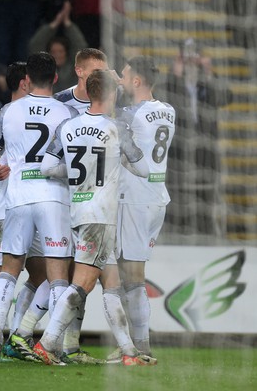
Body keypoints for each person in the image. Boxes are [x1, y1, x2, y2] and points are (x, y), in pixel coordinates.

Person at [33, 69, 152, 366]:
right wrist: (117, 161)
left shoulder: (67, 126)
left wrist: (74, 170)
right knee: (83, 284)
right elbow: (144, 170)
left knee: (112, 284)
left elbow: (48, 167)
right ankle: (47, 344)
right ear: (111, 95)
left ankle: (128, 353)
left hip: (78, 210)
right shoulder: (115, 128)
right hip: (101, 215)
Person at [0, 52, 78, 363]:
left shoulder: (7, 112)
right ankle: (54, 345)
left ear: (27, 80)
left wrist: (3, 166)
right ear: (54, 77)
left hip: (18, 198)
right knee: (57, 272)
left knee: (8, 270)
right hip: (53, 199)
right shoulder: (65, 113)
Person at [0, 62, 47, 363]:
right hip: (12, 204)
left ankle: (17, 336)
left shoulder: (10, 113)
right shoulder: (13, 112)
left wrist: (6, 161)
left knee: (41, 275)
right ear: (26, 83)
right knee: (2, 274)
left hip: (27, 205)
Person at [112, 56, 175, 359]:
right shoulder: (168, 111)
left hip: (135, 198)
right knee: (133, 274)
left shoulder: (127, 114)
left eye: (124, 77)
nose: (121, 81)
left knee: (132, 277)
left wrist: (106, 83)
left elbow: (102, 114)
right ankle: (134, 346)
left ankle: (140, 349)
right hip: (158, 198)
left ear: (136, 81)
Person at [162, 38, 232, 235]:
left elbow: (227, 97)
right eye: (187, 56)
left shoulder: (207, 86)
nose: (191, 61)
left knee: (205, 202)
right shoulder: (172, 83)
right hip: (179, 154)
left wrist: (209, 72)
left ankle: (206, 236)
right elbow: (163, 102)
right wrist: (176, 73)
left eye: (195, 56)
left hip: (205, 154)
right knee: (179, 202)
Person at [29, 0, 87, 93]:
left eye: (60, 51)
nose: (57, 55)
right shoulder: (43, 68)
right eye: (53, 52)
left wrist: (67, 22)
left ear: (66, 53)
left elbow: (80, 45)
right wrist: (55, 23)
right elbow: (36, 44)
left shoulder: (75, 68)